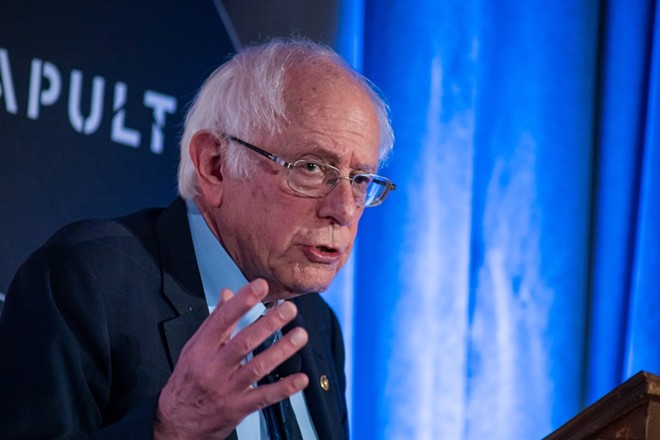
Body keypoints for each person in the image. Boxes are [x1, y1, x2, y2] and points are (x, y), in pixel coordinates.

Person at [0, 38, 395, 439]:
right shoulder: (85, 283)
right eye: (311, 167)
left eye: (360, 180)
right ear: (215, 165)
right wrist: (169, 430)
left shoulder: (315, 320)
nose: (344, 209)